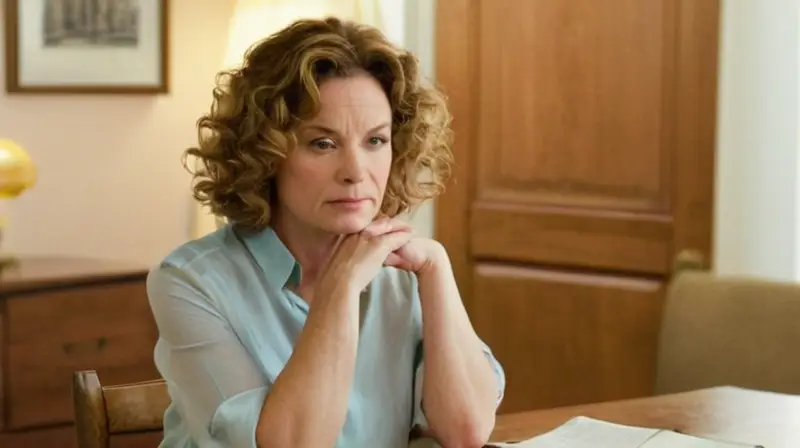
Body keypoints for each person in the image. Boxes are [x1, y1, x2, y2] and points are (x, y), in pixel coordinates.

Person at [147, 16, 505, 448]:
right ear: (266, 153)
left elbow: (466, 432)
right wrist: (342, 285)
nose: (355, 172)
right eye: (322, 143)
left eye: (375, 141)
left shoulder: (406, 273)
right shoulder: (190, 281)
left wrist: (437, 270)